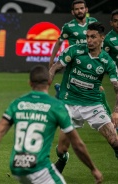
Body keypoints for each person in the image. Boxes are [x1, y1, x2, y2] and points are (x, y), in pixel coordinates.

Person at [0, 65, 103, 184]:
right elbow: (77, 144)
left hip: (16, 167)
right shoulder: (57, 106)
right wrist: (93, 169)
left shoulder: (18, 104)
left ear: (29, 83)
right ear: (49, 82)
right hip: (38, 167)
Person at [49, 22, 118, 174]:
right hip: (69, 104)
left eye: (93, 37)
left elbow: (117, 87)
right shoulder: (74, 50)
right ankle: (63, 159)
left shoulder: (107, 61)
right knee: (61, 149)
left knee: (115, 141)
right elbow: (55, 68)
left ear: (102, 38)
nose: (89, 40)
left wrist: (115, 111)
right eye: (87, 37)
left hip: (93, 104)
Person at [49, 0, 97, 69]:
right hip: (74, 62)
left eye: (81, 8)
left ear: (86, 9)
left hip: (91, 61)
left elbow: (100, 39)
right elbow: (59, 43)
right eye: (76, 9)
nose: (79, 11)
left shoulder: (94, 22)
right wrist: (51, 60)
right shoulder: (68, 26)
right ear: (72, 12)